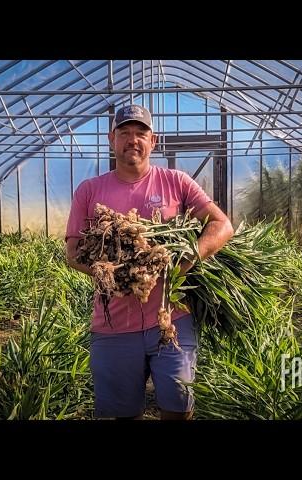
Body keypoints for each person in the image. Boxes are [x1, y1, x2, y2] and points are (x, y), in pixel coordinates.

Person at [65, 104, 234, 420]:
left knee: (178, 409)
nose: (133, 140)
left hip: (171, 320)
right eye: (124, 133)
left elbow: (221, 225)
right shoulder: (89, 191)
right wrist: (118, 274)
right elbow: (73, 252)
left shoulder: (177, 182)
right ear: (111, 139)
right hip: (112, 324)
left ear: (153, 141)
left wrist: (187, 260)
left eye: (140, 133)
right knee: (122, 414)